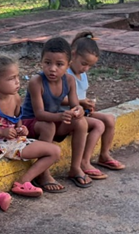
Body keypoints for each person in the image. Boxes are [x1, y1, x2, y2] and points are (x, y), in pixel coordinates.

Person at [0, 54, 62, 202]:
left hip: (14, 143)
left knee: (55, 151)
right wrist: (2, 132)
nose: (17, 81)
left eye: (17, 76)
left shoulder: (16, 97)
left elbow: (17, 120)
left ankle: (23, 182)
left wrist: (21, 129)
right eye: (11, 78)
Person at [22, 36, 89, 190]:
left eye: (59, 64)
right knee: (48, 126)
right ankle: (42, 174)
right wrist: (60, 116)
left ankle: (75, 168)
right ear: (41, 62)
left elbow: (75, 104)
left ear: (68, 65)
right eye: (47, 63)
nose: (52, 69)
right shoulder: (36, 82)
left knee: (81, 122)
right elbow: (39, 114)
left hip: (52, 120)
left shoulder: (69, 80)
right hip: (30, 124)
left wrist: (78, 111)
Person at [65, 32, 125, 174]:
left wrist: (88, 104)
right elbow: (57, 98)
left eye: (90, 66)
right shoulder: (65, 73)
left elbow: (81, 94)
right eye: (84, 64)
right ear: (73, 54)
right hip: (68, 114)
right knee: (98, 125)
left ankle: (104, 155)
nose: (86, 68)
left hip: (82, 111)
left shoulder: (82, 74)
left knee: (109, 119)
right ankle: (84, 161)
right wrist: (80, 102)